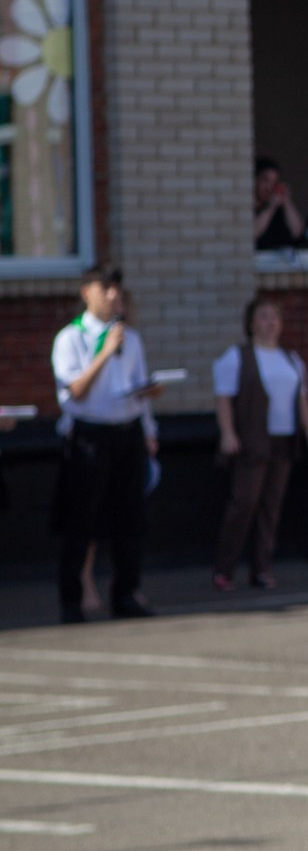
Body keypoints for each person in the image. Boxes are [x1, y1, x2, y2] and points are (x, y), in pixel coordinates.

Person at [52, 265, 161, 622]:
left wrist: (148, 428)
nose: (113, 295)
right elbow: (76, 391)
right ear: (87, 292)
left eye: (117, 289)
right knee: (81, 519)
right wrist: (104, 351)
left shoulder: (131, 338)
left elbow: (138, 386)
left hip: (126, 432)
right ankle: (72, 599)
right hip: (90, 435)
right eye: (105, 288)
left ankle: (126, 593)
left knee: (131, 518)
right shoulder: (72, 338)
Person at [211, 294, 308, 591]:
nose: (270, 323)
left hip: (283, 439)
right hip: (252, 439)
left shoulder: (292, 359)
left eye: (275, 317)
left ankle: (261, 569)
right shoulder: (237, 356)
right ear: (251, 323)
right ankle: (224, 569)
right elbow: (224, 399)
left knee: (271, 506)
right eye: (263, 316)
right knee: (244, 503)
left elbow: (302, 400)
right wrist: (227, 432)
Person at [252, 156, 303, 252]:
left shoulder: (279, 206)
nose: (269, 187)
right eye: (265, 180)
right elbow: (251, 234)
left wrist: (287, 201)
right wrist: (270, 208)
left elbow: (297, 233)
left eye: (274, 182)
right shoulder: (244, 207)